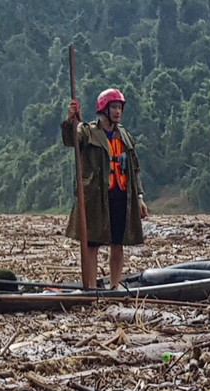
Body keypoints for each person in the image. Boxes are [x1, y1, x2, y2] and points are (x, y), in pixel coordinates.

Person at [62, 87, 149, 290]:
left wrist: (139, 197)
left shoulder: (125, 136)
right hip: (96, 196)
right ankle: (91, 287)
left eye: (119, 107)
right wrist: (70, 120)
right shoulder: (88, 131)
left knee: (117, 243)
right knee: (92, 244)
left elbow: (134, 169)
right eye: (114, 107)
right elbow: (71, 140)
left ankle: (115, 286)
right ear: (104, 109)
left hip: (121, 195)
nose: (118, 112)